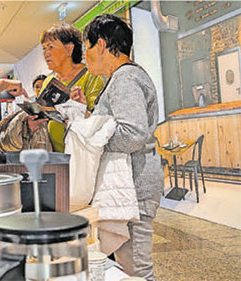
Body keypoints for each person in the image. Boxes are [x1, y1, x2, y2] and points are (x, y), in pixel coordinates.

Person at [83, 14, 163, 280]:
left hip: (136, 187)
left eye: (87, 47)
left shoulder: (125, 77)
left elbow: (132, 134)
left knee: (136, 270)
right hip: (131, 185)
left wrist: (92, 138)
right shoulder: (121, 77)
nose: (85, 55)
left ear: (102, 45)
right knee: (130, 265)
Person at [37, 23, 105, 152]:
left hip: (82, 155)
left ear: (69, 49)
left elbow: (98, 120)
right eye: (44, 48)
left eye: (51, 47)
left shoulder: (91, 76)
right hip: (55, 157)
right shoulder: (48, 81)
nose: (46, 54)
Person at [0, 74, 52, 152]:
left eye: (43, 86)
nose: (40, 89)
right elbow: (6, 140)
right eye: (37, 87)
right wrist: (26, 127)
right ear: (33, 89)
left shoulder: (61, 109)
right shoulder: (25, 111)